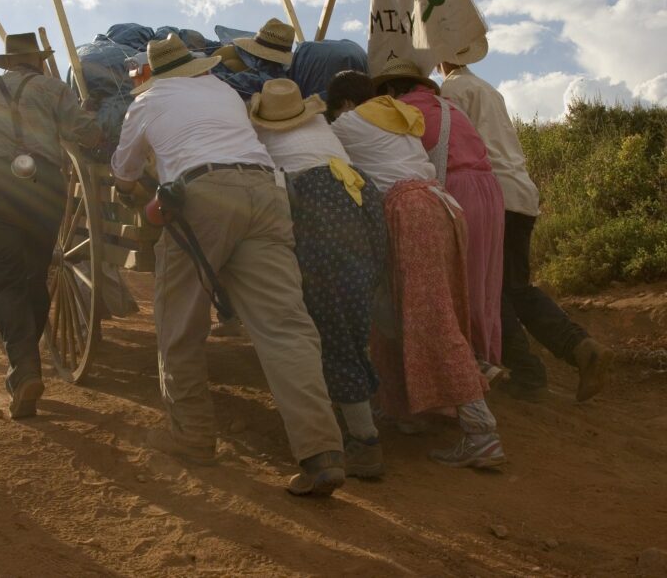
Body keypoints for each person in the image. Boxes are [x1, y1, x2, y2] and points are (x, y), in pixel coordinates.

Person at [113, 33, 347, 496]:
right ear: (195, 65)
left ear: (152, 73)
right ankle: (321, 451)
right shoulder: (222, 90)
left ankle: (193, 436)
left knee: (179, 322)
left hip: (201, 198)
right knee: (286, 326)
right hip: (266, 193)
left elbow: (123, 170)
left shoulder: (146, 102)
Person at [327, 70, 506, 468]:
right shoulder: (397, 116)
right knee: (395, 312)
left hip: (409, 214)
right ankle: (403, 409)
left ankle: (481, 431)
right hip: (439, 207)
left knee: (431, 319)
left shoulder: (347, 123)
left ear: (343, 104)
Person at [438, 58, 615, 401]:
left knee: (493, 290)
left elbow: (448, 146)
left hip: (490, 195)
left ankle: (526, 372)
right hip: (521, 194)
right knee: (517, 287)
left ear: (440, 58)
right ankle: (580, 347)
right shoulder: (489, 89)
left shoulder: (452, 90)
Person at [249, 79, 389, 478]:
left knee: (330, 323)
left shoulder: (259, 133)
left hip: (317, 204)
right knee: (355, 313)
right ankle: (363, 416)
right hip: (361, 196)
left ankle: (365, 440)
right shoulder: (321, 128)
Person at [0, 32, 103, 418]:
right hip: (44, 183)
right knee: (36, 274)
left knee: (4, 279)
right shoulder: (53, 89)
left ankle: (24, 366)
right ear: (39, 60)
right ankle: (25, 364)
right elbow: (88, 134)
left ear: (8, 61)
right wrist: (88, 113)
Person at [373, 58, 505, 369]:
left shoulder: (401, 110)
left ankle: (463, 368)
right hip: (489, 187)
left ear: (392, 89)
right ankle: (484, 357)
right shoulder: (448, 107)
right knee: (484, 280)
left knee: (450, 282)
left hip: (455, 187)